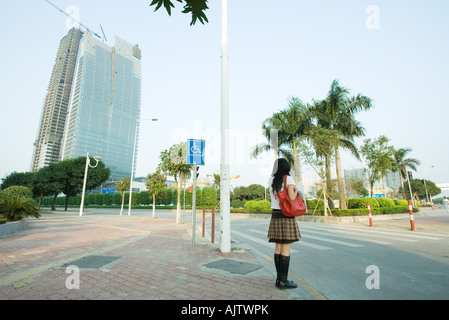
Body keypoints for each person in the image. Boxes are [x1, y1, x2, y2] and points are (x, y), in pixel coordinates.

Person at [267, 158, 301, 289]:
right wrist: (296, 191)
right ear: (286, 167)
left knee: (278, 248)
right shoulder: (288, 179)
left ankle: (278, 279)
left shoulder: (271, 179)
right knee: (286, 249)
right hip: (286, 215)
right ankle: (283, 281)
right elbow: (292, 198)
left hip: (275, 215)